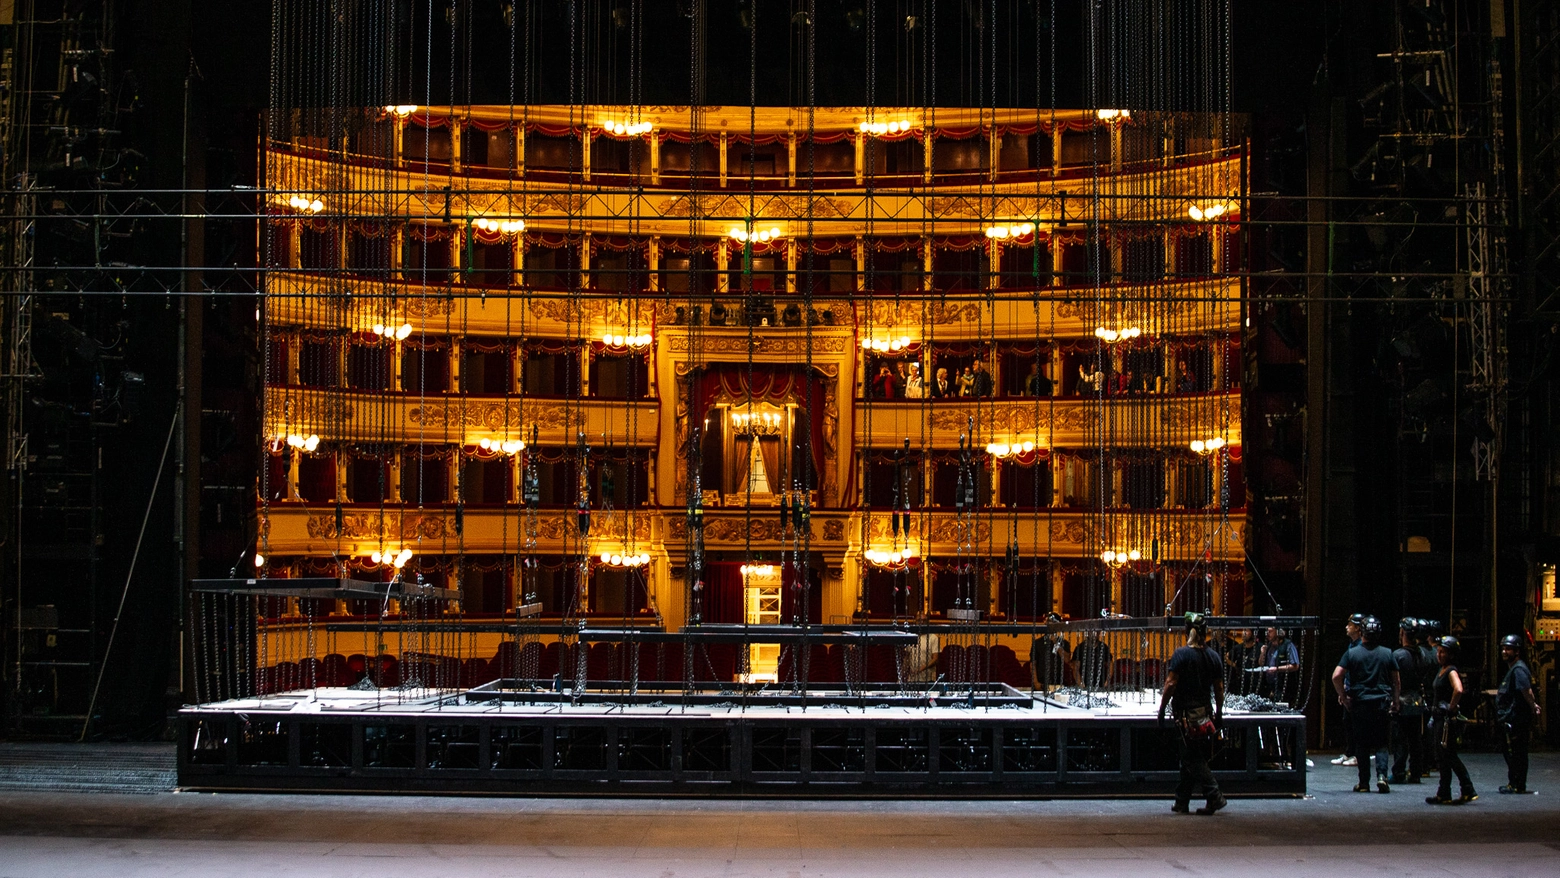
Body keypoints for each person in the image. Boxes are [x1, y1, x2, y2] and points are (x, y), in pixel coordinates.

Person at [1158, 612, 1228, 815]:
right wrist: (1219, 712)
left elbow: (1170, 684)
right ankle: (1182, 801)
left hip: (1186, 716)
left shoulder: (1181, 654)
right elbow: (1219, 688)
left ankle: (1215, 795)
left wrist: (1162, 709)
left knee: (1191, 758)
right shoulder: (1213, 656)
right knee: (1191, 755)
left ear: (1187, 631)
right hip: (1205, 714)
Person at [1333, 616, 1400, 793]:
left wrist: (1344, 696)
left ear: (1362, 632)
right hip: (1381, 704)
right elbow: (1396, 681)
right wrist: (1395, 700)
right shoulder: (1387, 653)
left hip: (1360, 704)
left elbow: (1336, 676)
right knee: (1381, 743)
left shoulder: (1352, 653)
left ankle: (1363, 783)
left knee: (1361, 744)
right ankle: (1382, 777)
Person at [1425, 635, 1476, 805]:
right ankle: (1444, 792)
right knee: (1443, 757)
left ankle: (1468, 788)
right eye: (1438, 651)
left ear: (1452, 654)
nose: (1439, 655)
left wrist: (1451, 707)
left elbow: (1459, 689)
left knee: (1449, 755)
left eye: (1443, 652)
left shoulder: (1450, 670)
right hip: (1439, 718)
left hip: (1446, 720)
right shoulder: (1442, 670)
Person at [1496, 633, 1540, 794]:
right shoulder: (1513, 669)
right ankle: (1514, 782)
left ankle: (1517, 784)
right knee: (1513, 752)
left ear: (1517, 651)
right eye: (1503, 648)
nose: (1504, 652)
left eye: (1508, 649)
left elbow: (1525, 690)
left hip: (1517, 719)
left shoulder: (1518, 669)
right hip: (1512, 717)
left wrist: (1533, 705)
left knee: (1517, 752)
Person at [1389, 618, 1429, 784]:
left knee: (1400, 739)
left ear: (1402, 633)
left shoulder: (1398, 655)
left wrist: (1394, 699)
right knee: (1416, 739)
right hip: (1417, 699)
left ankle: (1399, 771)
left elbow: (1394, 680)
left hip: (1402, 699)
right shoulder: (1423, 654)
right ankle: (1416, 772)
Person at [1332, 613, 1366, 767]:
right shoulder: (1351, 645)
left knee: (1357, 724)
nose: (1347, 627)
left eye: (1350, 624)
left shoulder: (1361, 646)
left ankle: (1358, 755)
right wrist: (1343, 691)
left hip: (1358, 690)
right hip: (1349, 688)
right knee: (1347, 722)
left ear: (1358, 628)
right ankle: (1349, 752)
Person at [1259, 626, 1300, 704]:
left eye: (1270, 632)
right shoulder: (1269, 645)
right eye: (1267, 632)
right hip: (1270, 687)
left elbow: (1295, 666)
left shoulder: (1288, 645)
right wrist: (1262, 653)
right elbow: (1261, 664)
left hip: (1284, 688)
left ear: (1278, 632)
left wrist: (1277, 669)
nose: (1267, 634)